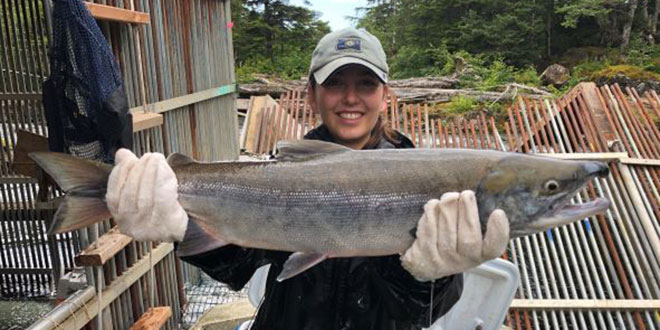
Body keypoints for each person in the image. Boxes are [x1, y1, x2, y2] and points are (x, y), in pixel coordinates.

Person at [107, 28, 510, 330]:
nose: (350, 98)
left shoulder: (435, 180)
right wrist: (186, 229)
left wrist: (434, 275)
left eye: (365, 84)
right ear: (312, 94)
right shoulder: (281, 171)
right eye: (335, 83)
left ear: (386, 95)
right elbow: (238, 268)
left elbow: (424, 312)